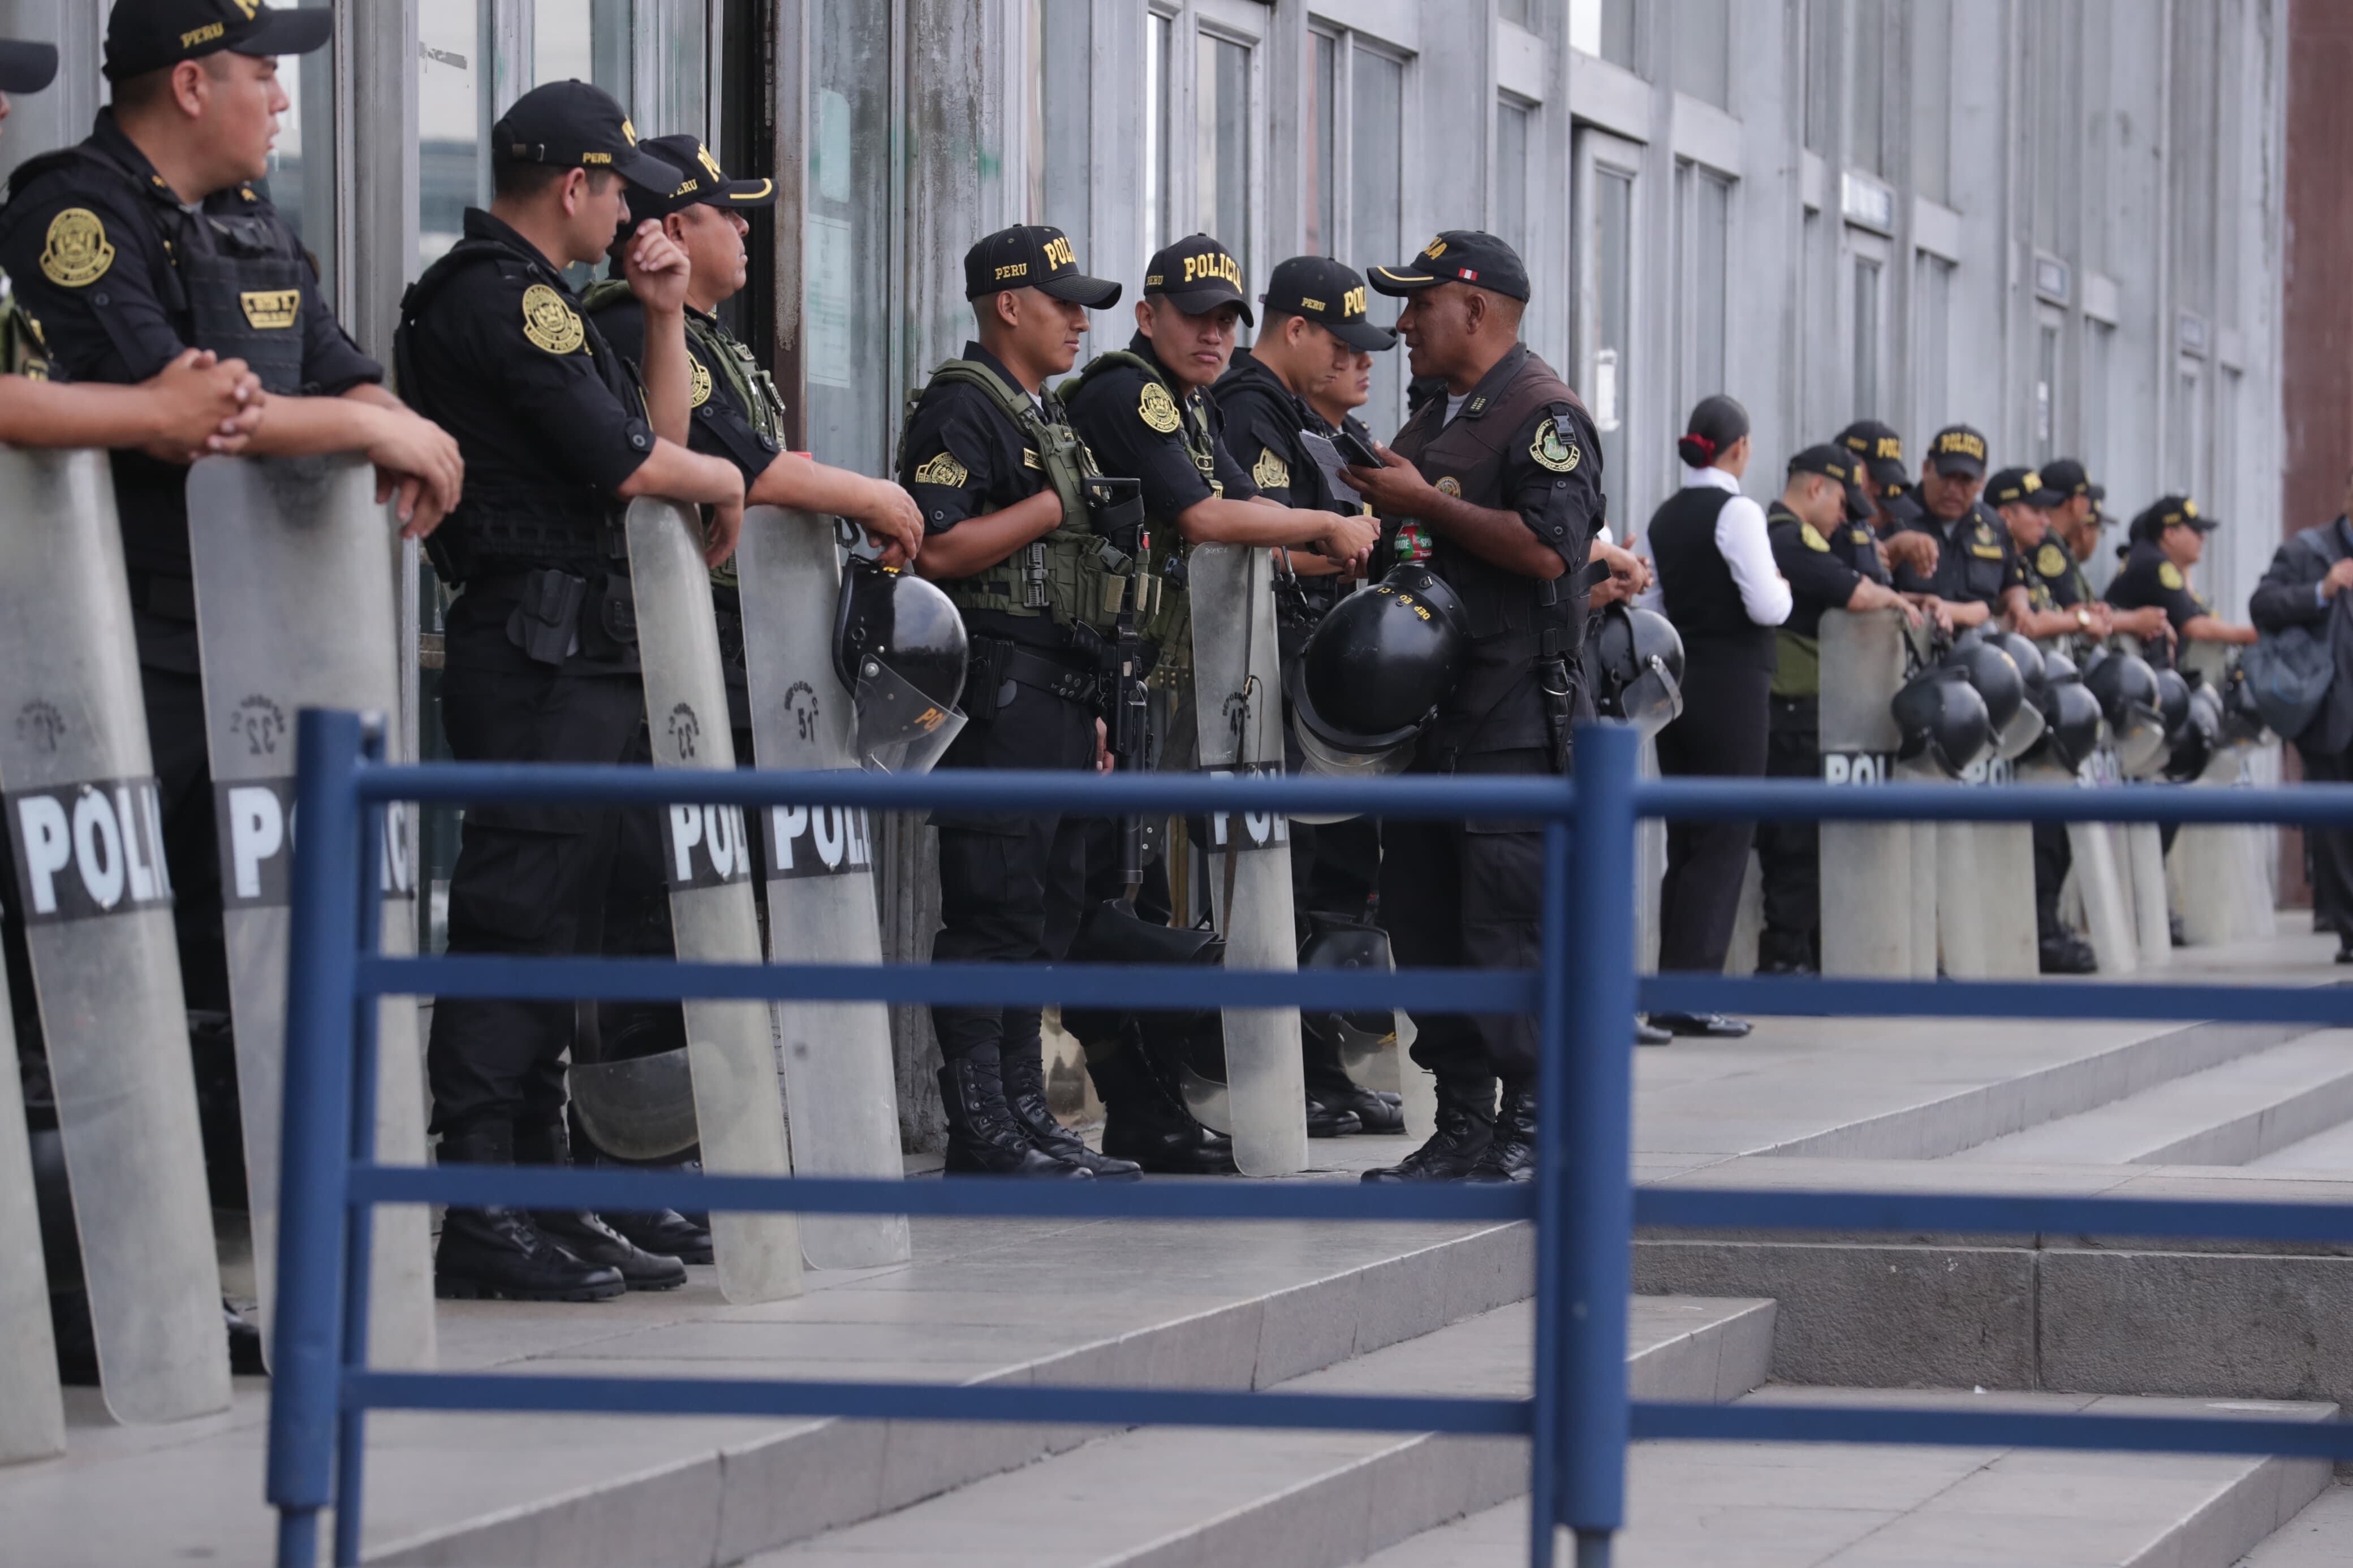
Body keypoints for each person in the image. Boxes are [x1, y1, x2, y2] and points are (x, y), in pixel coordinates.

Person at [0, 0, 463, 1061]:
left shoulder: (249, 219)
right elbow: (180, 411)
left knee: (243, 938)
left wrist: (408, 433)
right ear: (193, 83)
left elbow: (346, 373)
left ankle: (225, 1186)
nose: (284, 98)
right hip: (120, 637)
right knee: (85, 933)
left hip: (254, 634)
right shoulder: (71, 212)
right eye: (262, 73)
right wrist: (360, 427)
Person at [398, 80, 751, 1301]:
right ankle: (480, 1204)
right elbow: (623, 463)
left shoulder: (556, 303)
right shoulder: (497, 299)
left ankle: (541, 1189)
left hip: (582, 655)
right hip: (536, 650)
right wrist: (725, 481)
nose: (633, 219)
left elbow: (644, 430)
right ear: (574, 186)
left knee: (570, 929)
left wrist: (661, 318)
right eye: (620, 193)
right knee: (516, 920)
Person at [1059, 234, 1378, 1174]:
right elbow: (1205, 520)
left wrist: (1364, 546)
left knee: (1137, 896)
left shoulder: (1195, 412)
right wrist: (1328, 520)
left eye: (1227, 320)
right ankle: (1120, 1102)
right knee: (1090, 906)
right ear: (1149, 316)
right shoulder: (1132, 393)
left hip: (1146, 689)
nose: (1214, 334)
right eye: (1197, 317)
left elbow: (1259, 533)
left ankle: (1148, 1108)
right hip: (1099, 688)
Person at [1339, 230, 1604, 1183]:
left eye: (1420, 304)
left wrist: (1424, 501)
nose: (1403, 323)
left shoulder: (1543, 414)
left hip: (1509, 721)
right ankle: (1461, 1122)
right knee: (1427, 919)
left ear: (1477, 309)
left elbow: (1548, 551)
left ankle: (1529, 1121)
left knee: (1508, 923)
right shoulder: (1437, 415)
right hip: (1427, 718)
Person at [897, 223, 1139, 1180]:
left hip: (1062, 694)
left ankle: (1026, 1107)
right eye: (1063, 300)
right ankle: (981, 1122)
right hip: (998, 695)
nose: (1081, 320)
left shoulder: (1045, 412)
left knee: (1046, 908)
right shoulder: (966, 410)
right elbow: (936, 549)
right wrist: (1053, 507)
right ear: (1008, 304)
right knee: (992, 911)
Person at [1209, 254, 1400, 1136]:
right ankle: (1296, 1070)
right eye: (1344, 342)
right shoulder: (1251, 408)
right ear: (1295, 330)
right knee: (1293, 881)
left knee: (1332, 881)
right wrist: (1341, 547)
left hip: (1321, 674)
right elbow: (1254, 548)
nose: (1359, 361)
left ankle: (1322, 1064)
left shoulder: (1303, 416)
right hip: (1276, 668)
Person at [1643, 396, 1790, 1034]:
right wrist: (1784, 587)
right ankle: (1691, 992)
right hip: (1733, 683)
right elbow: (1768, 607)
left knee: (1687, 836)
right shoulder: (1738, 511)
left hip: (1676, 683)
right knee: (1725, 835)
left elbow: (1651, 600)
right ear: (1740, 448)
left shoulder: (1665, 515)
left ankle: (1672, 985)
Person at [1755, 444, 1919, 975]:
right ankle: (1784, 960)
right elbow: (1853, 592)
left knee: (1804, 840)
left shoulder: (1785, 533)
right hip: (1791, 712)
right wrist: (1894, 600)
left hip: (1805, 712)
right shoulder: (1787, 535)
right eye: (1843, 507)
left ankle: (1799, 954)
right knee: (1794, 841)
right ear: (1816, 488)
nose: (1844, 521)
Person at [2250, 469, 2353, 962]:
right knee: (2335, 830)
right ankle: (2350, 931)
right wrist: (2322, 590)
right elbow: (2263, 605)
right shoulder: (2308, 552)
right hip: (2331, 712)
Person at [1889, 424, 2022, 633]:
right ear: (1926, 469)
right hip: (1905, 649)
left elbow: (2012, 583)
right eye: (1947, 477)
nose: (1953, 490)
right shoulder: (1894, 516)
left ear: (1982, 481)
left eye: (1965, 480)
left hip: (1978, 650)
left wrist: (2019, 604)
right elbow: (1868, 585)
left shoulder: (1993, 525)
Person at [2105, 496, 2258, 668]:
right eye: (2195, 531)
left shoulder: (2149, 557)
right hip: (2124, 662)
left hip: (2127, 663)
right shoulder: (2155, 565)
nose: (2202, 538)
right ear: (2170, 535)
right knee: (2207, 644)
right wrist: (2254, 635)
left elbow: (2195, 612)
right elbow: (2195, 626)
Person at [1987, 467, 2101, 643]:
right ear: (2005, 516)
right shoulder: (1990, 561)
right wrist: (2081, 620)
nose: (2046, 521)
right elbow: (2031, 625)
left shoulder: (2020, 561)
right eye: (2036, 511)